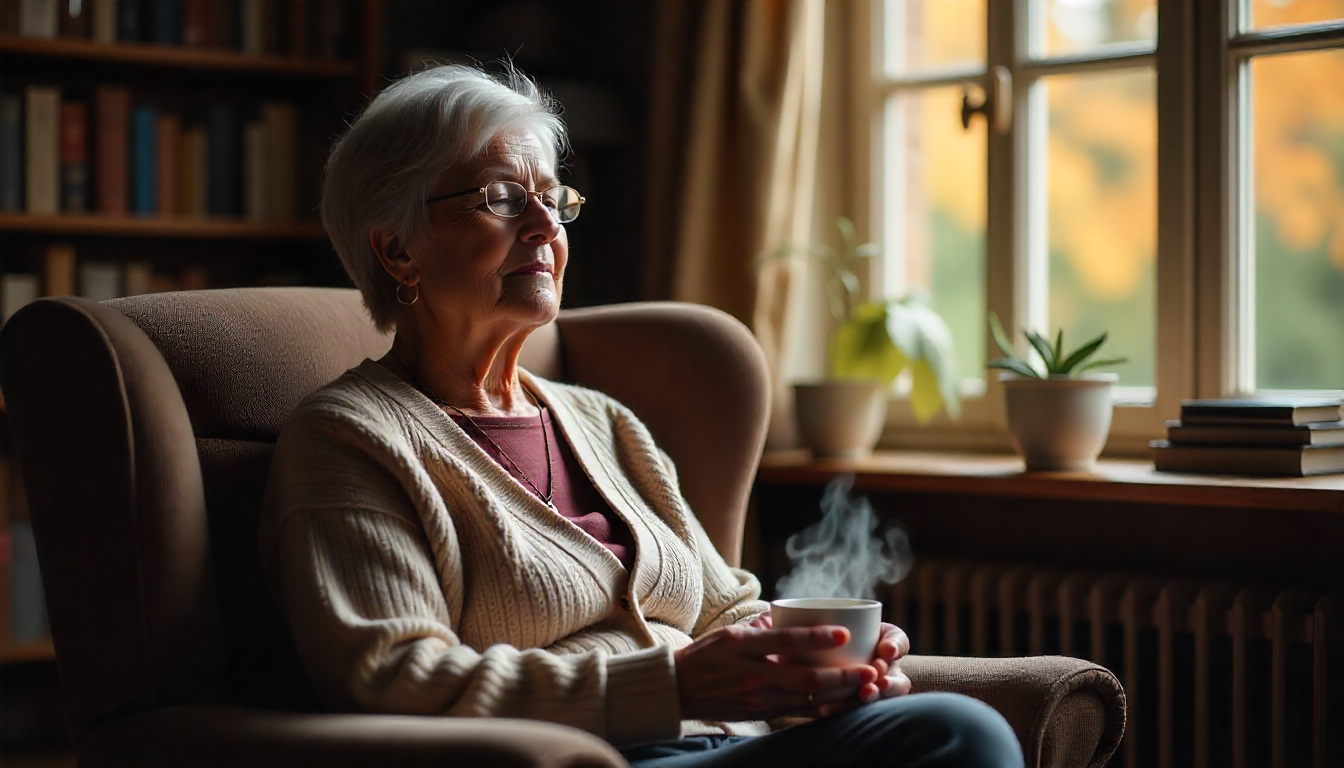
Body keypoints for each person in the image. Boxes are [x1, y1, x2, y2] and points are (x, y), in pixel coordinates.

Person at [260, 63, 1024, 768]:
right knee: (960, 737)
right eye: (501, 197)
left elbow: (729, 611)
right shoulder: (348, 438)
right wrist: (673, 687)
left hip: (723, 747)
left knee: (955, 728)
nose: (545, 227)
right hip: (592, 758)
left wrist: (815, 669)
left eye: (552, 199)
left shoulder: (603, 422)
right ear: (397, 249)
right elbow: (394, 678)